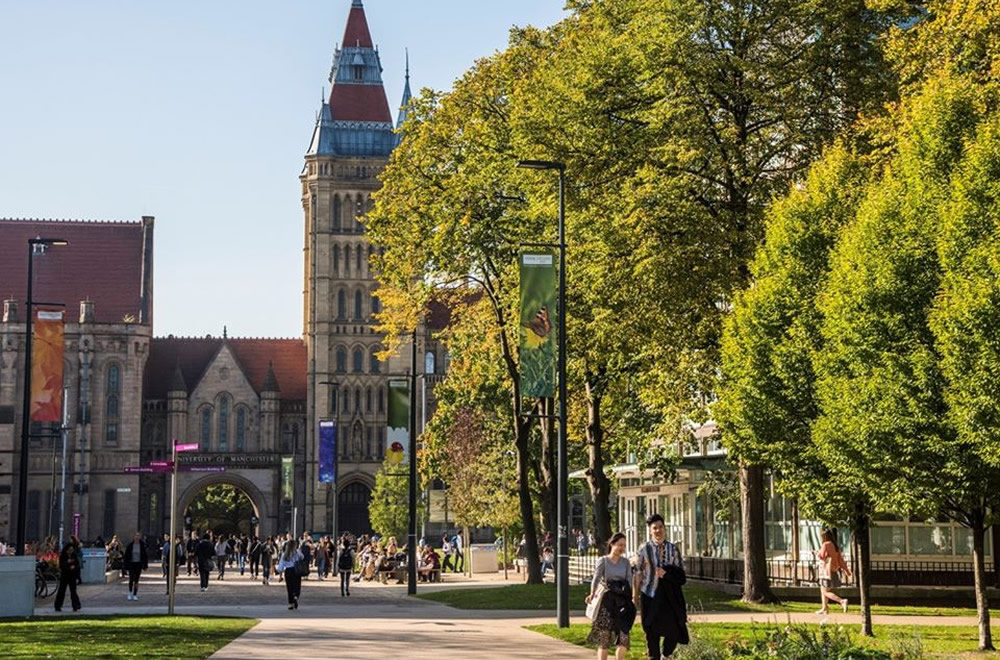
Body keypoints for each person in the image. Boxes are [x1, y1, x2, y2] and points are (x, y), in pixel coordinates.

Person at [633, 514, 688, 659]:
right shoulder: (644, 549)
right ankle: (654, 657)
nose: (658, 531)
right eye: (654, 528)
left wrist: (666, 574)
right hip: (650, 595)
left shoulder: (673, 549)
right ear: (650, 531)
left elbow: (680, 574)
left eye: (660, 527)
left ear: (665, 528)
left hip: (669, 596)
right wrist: (635, 595)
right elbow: (637, 572)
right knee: (651, 632)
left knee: (675, 630)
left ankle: (666, 654)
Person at [586, 533, 636, 660]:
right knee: (604, 638)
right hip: (607, 602)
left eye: (624, 546)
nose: (622, 548)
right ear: (612, 544)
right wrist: (592, 593)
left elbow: (629, 581)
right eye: (619, 545)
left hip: (622, 601)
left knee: (624, 637)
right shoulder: (603, 561)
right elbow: (596, 579)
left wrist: (632, 597)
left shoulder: (625, 562)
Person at [816, 528, 852, 615]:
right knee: (823, 589)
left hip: (826, 571)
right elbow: (841, 560)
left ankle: (842, 601)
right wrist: (847, 570)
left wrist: (817, 553)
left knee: (825, 591)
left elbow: (822, 556)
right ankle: (825, 608)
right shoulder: (835, 546)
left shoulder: (825, 544)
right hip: (834, 570)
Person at [54, 540, 82, 612]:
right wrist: (68, 565)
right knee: (61, 591)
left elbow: (77, 565)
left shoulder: (74, 556)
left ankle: (75, 605)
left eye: (72, 550)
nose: (70, 552)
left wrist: (74, 568)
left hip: (72, 576)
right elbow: (61, 565)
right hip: (65, 575)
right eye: (69, 550)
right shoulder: (63, 556)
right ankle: (58, 605)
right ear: (66, 550)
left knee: (73, 591)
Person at [277, 539, 303, 610]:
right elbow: (302, 557)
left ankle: (291, 603)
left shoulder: (284, 555)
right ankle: (296, 596)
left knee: (290, 588)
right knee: (297, 586)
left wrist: (280, 574)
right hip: (296, 570)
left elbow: (281, 566)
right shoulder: (297, 552)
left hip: (288, 571)